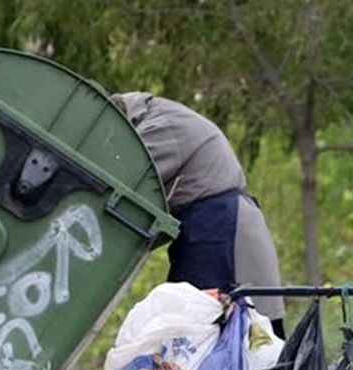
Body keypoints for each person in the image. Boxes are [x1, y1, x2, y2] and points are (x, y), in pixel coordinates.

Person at [111, 92, 286, 338]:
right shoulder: (165, 115)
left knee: (200, 324)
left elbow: (126, 174)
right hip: (215, 225)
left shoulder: (162, 126)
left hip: (219, 228)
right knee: (199, 325)